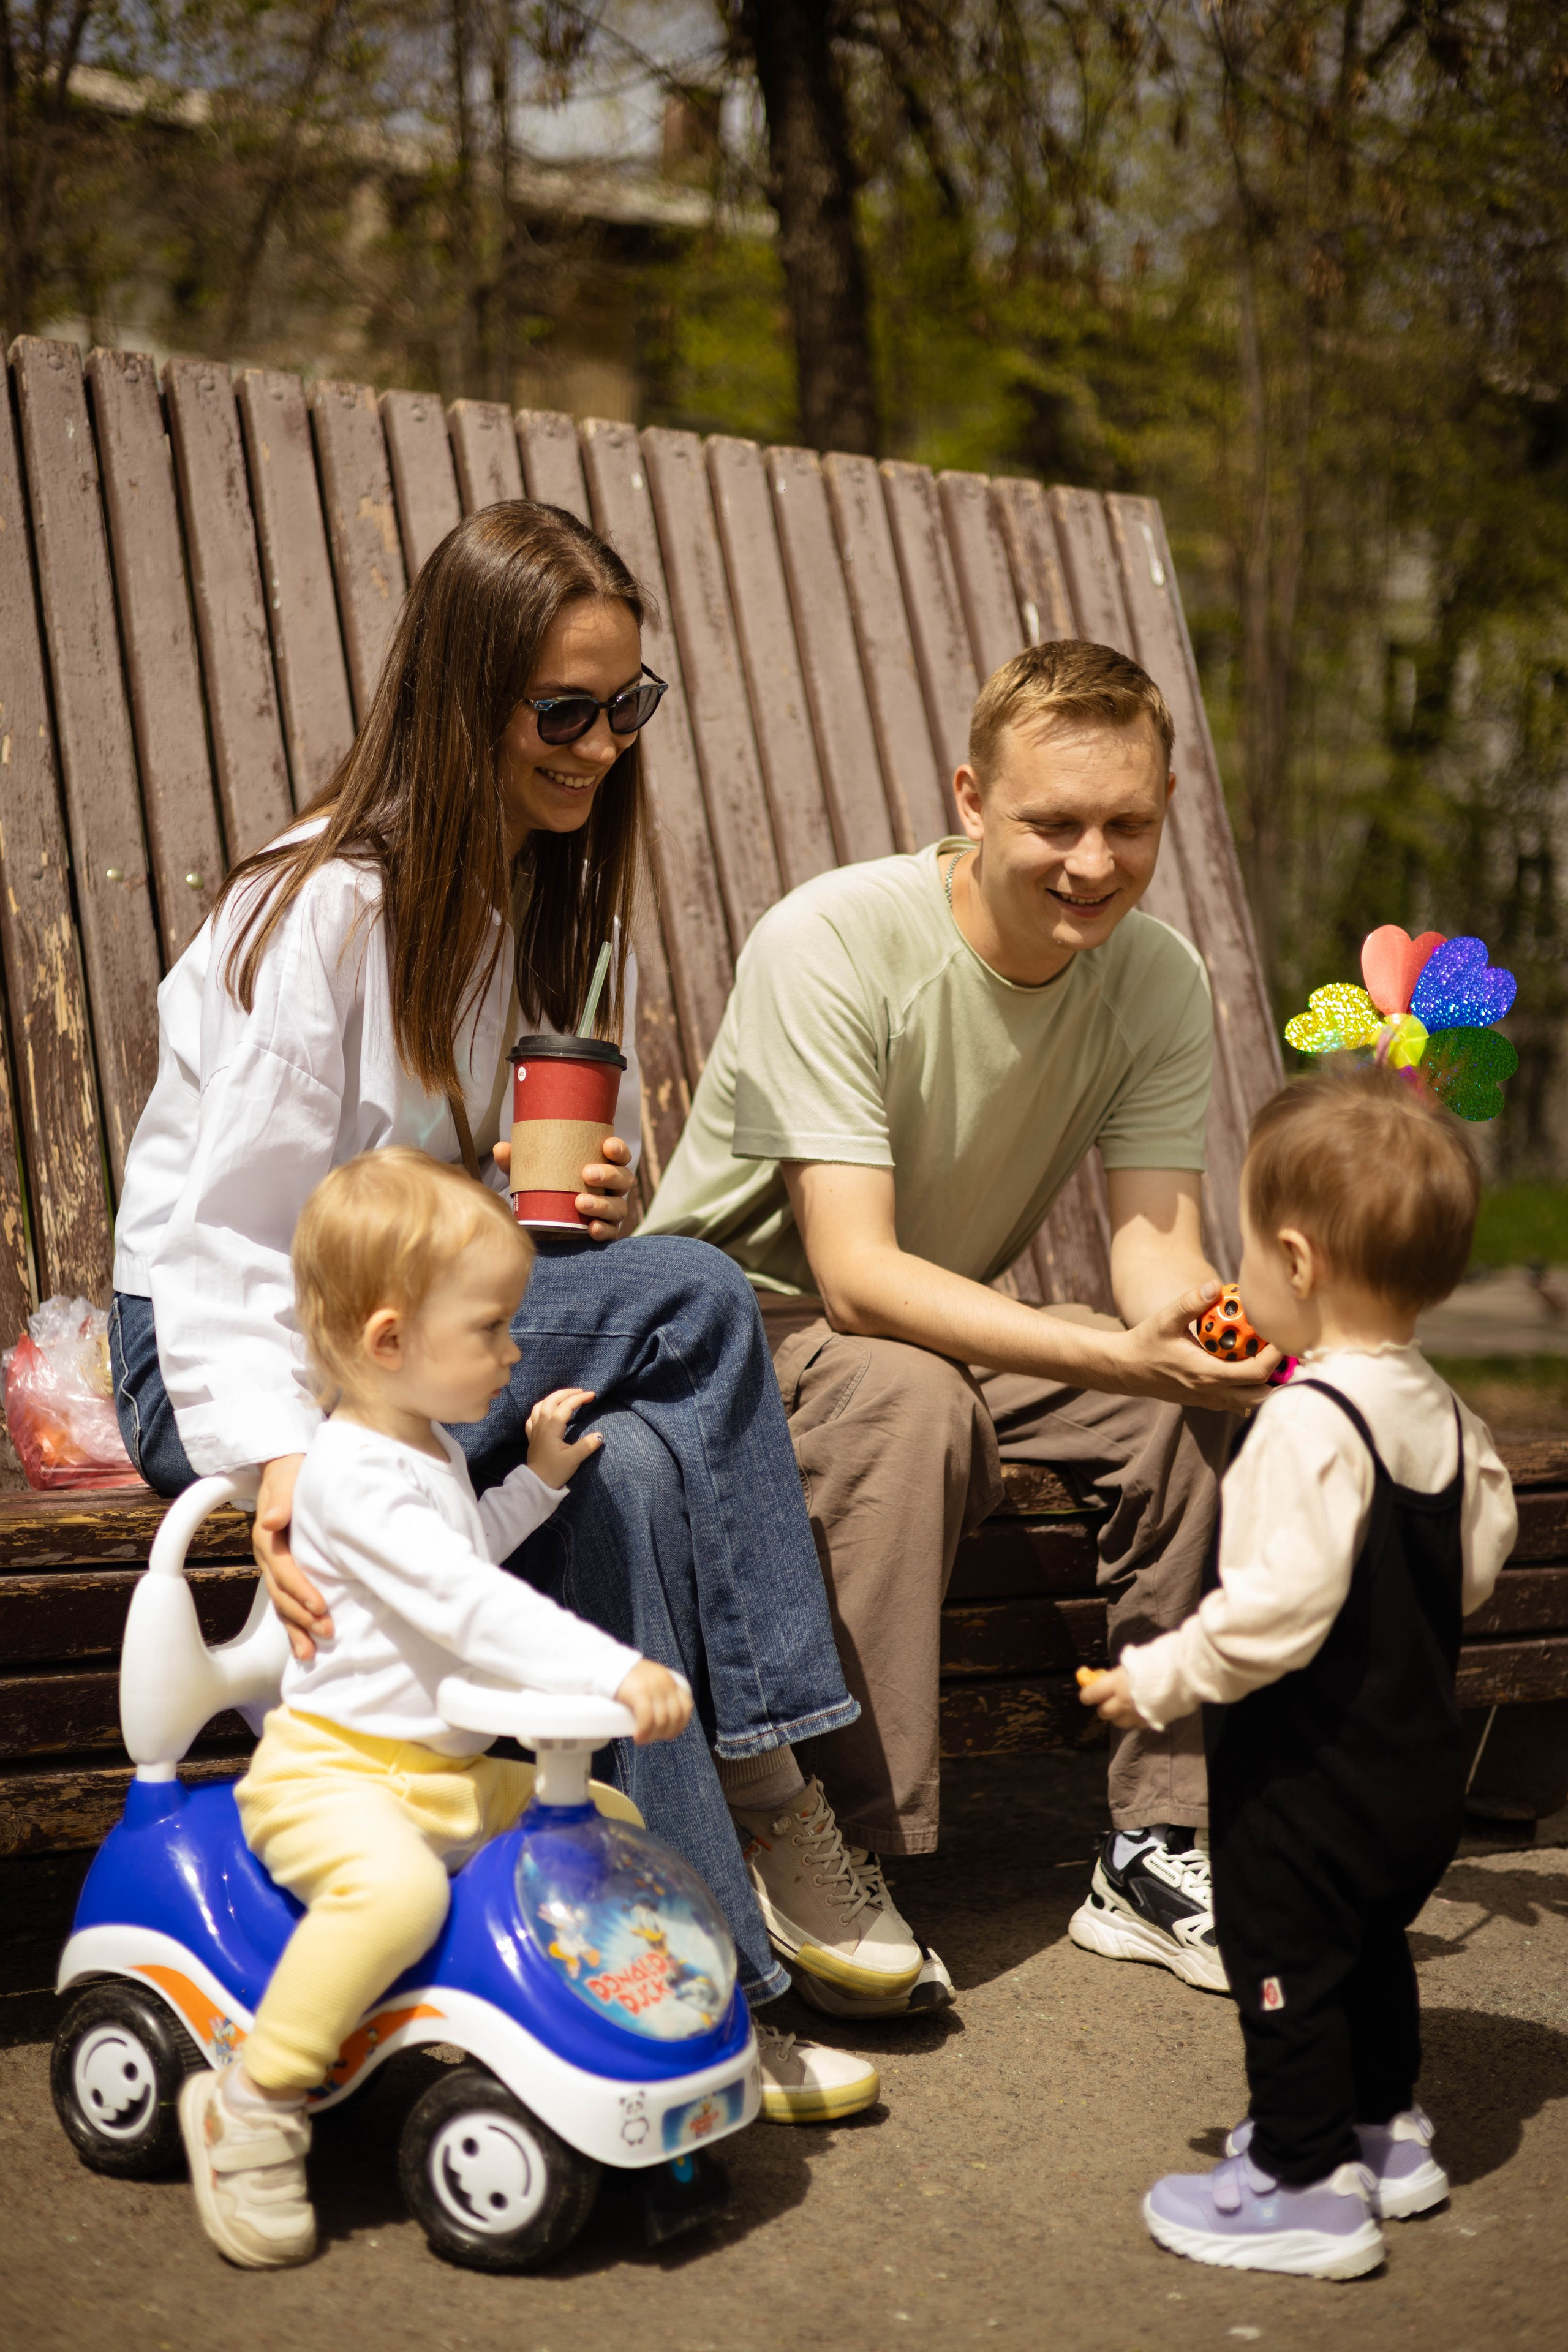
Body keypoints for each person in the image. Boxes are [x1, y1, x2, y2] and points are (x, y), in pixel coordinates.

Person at [110, 499, 892, 2122]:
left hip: (395, 1337)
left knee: (631, 1469)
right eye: (564, 710)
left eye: (627, 707)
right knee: (689, 1291)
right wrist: (278, 1464)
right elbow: (228, 1240)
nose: (602, 746)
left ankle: (715, 1984)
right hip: (237, 1359)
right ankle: (766, 1762)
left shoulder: (501, 899)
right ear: (465, 699)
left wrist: (547, 1216)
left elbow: (404, 1196)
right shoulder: (318, 908)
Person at [640, 638, 1273, 2008]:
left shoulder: (1156, 978)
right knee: (909, 1399)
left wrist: (1241, 1347)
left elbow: (1155, 1251)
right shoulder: (835, 938)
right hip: (727, 1327)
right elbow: (853, 1274)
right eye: (1053, 823)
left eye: (1127, 826)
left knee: (1195, 1407)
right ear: (971, 799)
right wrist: (1113, 1345)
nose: (1091, 864)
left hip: (931, 1323)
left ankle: (1159, 1843)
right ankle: (822, 1856)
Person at [180, 1148, 693, 2269]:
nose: (513, 1353)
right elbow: (465, 1604)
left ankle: (593, 2040)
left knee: (605, 1821)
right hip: (337, 1776)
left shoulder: (423, 1450)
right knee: (396, 1892)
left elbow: (463, 1557)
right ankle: (255, 2099)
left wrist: (536, 1483)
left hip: (445, 1775)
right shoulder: (349, 1475)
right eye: (492, 1330)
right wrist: (612, 1670)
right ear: (389, 1342)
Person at [1081, 1068, 1517, 2279]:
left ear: (1294, 1258)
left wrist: (1155, 1679)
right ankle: (1384, 2136)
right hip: (1413, 1770)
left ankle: (1297, 2183)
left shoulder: (1303, 1423)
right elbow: (1474, 1560)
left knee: (1279, 1967)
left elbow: (1270, 1613)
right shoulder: (1437, 1411)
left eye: (1244, 1253)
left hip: (1305, 1780)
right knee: (1368, 1949)